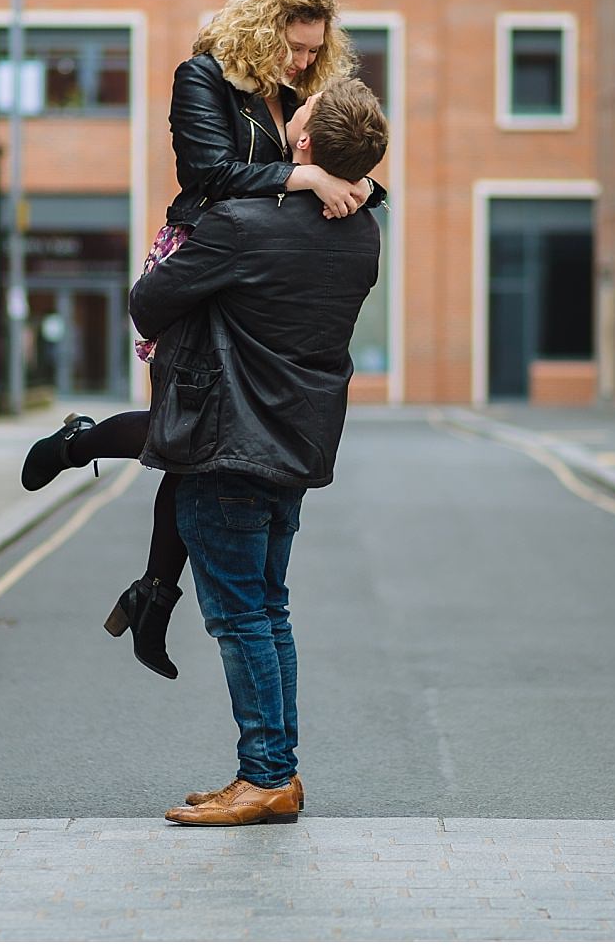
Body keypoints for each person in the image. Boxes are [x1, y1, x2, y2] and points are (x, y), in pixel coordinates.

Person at [18, 0, 386, 680]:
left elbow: (341, 157)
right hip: (199, 260)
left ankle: (153, 595)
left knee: (198, 440)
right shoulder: (205, 76)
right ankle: (81, 446)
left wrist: (361, 183)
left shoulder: (298, 96)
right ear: (263, 30)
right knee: (184, 427)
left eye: (315, 52)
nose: (305, 63)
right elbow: (206, 170)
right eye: (296, 48)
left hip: (256, 271)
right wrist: (300, 179)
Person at [131, 77, 388, 826]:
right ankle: (275, 769)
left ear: (304, 147)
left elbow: (149, 299)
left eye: (295, 120)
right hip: (296, 440)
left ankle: (267, 774)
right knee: (267, 608)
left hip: (226, 441)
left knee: (242, 616)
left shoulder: (244, 224)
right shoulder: (364, 231)